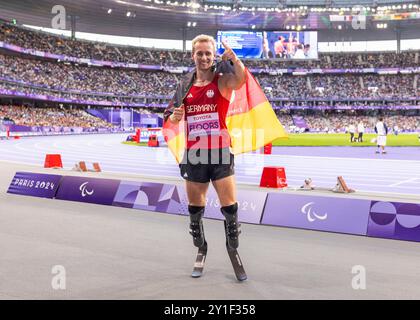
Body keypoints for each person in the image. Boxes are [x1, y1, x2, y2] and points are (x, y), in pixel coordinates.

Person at [164, 35, 246, 264]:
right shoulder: (184, 86)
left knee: (230, 210)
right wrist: (174, 116)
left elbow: (240, 81)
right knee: (194, 212)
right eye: (199, 53)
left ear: (213, 55)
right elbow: (169, 119)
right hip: (194, 152)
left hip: (219, 150)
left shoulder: (223, 80)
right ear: (193, 55)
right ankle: (201, 246)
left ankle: (232, 246)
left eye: (208, 53)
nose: (204, 57)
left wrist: (235, 60)